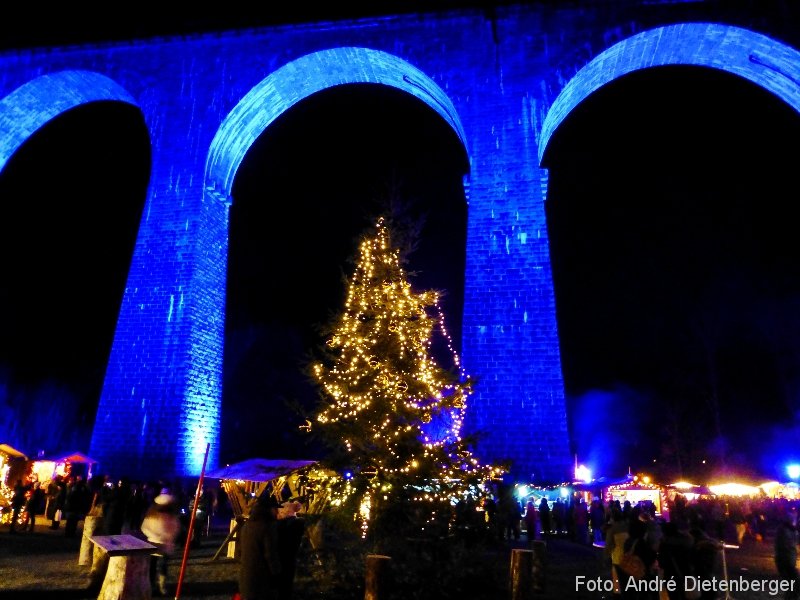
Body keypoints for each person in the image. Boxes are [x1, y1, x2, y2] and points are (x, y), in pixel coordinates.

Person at [239, 494, 283, 600]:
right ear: (267, 509)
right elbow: (270, 554)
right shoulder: (267, 527)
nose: (277, 512)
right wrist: (277, 574)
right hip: (262, 579)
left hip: (246, 576)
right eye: (275, 509)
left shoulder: (247, 525)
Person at [140, 488, 182, 597]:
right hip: (153, 544)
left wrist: (168, 537)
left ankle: (161, 586)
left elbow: (175, 529)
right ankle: (151, 585)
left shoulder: (172, 517)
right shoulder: (152, 516)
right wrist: (154, 536)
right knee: (152, 567)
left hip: (166, 545)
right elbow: (145, 528)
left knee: (163, 566)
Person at [277, 500, 306, 599]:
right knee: (288, 575)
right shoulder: (299, 522)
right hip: (292, 553)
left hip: (282, 553)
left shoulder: (281, 524)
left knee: (283, 576)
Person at [774, 509, 799, 600]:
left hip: (788, 560)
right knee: (793, 584)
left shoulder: (790, 529)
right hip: (785, 560)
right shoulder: (784, 530)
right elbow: (786, 545)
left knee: (793, 585)